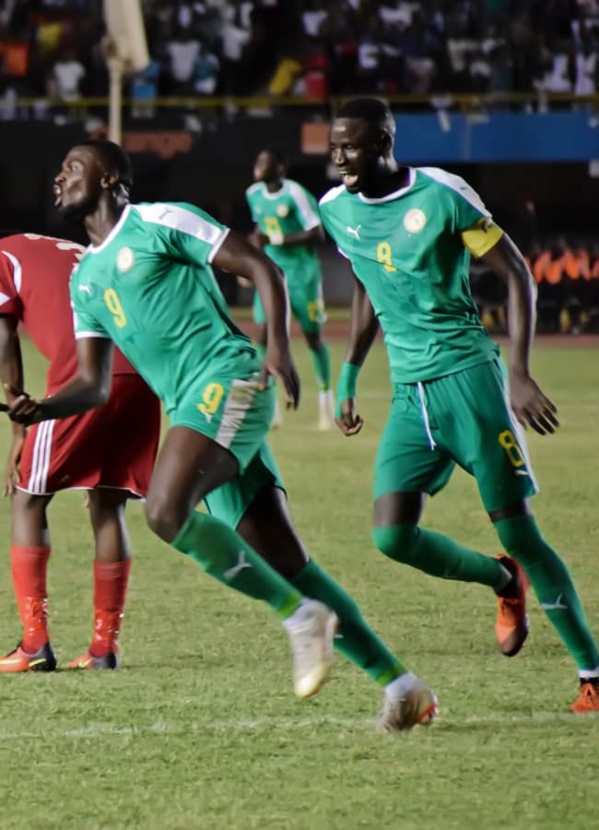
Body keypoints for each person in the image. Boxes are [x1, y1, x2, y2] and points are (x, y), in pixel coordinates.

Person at [5, 139, 437, 731]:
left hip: (229, 377)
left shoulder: (159, 221)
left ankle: (297, 618)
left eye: (71, 167)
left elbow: (260, 266)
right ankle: (403, 686)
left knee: (163, 510)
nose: (59, 179)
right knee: (291, 563)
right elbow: (94, 384)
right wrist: (42, 408)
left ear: (109, 177)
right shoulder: (86, 281)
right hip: (192, 407)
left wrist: (278, 345)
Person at [319, 97, 599, 715]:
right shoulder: (336, 210)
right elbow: (367, 283)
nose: (340, 157)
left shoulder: (442, 195)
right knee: (392, 534)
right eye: (334, 146)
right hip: (408, 394)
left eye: (353, 146)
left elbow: (517, 273)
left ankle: (592, 673)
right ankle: (502, 580)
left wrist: (519, 373)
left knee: (520, 531)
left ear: (386, 143)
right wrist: (348, 372)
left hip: (470, 381)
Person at [0, 232, 161, 671]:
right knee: (109, 504)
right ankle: (103, 648)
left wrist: (19, 430)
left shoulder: (2, 256)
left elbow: (3, 336)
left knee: (29, 498)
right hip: (143, 375)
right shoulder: (71, 248)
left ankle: (34, 644)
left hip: (83, 379)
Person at [246, 149, 335, 430]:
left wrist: (275, 238)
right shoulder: (253, 194)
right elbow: (259, 230)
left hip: (301, 276)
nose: (259, 166)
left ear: (280, 167)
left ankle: (326, 400)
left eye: (265, 161)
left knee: (312, 338)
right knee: (262, 336)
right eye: (257, 161)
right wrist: (250, 262)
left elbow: (317, 232)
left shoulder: (295, 193)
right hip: (271, 275)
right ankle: (270, 408)